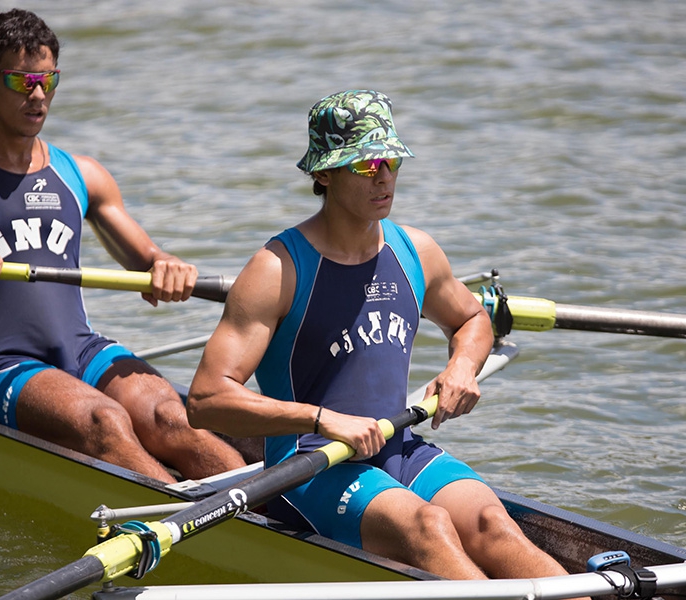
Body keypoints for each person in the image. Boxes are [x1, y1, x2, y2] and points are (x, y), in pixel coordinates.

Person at [186, 89, 585, 585]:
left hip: (398, 445)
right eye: (365, 164)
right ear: (324, 173)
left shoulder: (414, 250)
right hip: (311, 465)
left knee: (493, 524)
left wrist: (461, 367)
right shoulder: (277, 270)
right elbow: (205, 399)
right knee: (430, 526)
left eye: (391, 159)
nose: (385, 176)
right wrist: (322, 418)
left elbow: (472, 319)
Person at [0, 9, 245, 483]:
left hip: (82, 350)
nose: (38, 95)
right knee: (106, 421)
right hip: (1, 364)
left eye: (49, 80)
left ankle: (265, 520)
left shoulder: (81, 174)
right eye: (22, 81)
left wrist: (167, 267)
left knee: (173, 417)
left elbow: (149, 261)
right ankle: (202, 529)